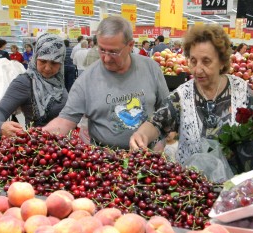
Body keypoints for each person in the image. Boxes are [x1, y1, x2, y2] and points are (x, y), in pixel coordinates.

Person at [129, 24, 253, 166]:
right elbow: (157, 121)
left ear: (222, 61)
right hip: (194, 183)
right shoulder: (182, 95)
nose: (197, 70)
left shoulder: (241, 90)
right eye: (193, 61)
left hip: (236, 184)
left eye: (206, 61)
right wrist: (141, 135)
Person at [43, 16, 169, 149]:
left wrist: (161, 141)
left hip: (148, 155)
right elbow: (65, 120)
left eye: (114, 52)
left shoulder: (150, 68)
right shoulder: (86, 80)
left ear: (130, 45)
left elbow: (166, 110)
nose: (107, 58)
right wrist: (34, 136)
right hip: (106, 161)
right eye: (102, 50)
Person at [0, 33, 67, 138]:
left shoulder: (58, 79)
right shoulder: (25, 82)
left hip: (64, 146)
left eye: (54, 63)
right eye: (43, 61)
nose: (48, 68)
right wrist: (1, 126)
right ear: (35, 57)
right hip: (39, 148)